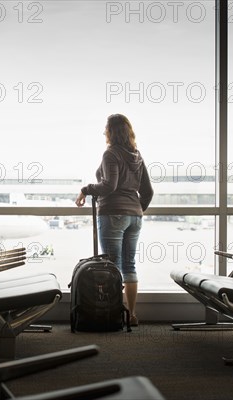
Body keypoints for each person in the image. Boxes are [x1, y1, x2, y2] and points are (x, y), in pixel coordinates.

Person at [75, 114, 153, 326]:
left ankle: (115, 315)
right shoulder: (136, 155)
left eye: (106, 129)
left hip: (113, 214)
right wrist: (137, 210)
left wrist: (86, 189)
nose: (103, 133)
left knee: (112, 267)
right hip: (134, 217)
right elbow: (148, 191)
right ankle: (132, 315)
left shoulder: (111, 154)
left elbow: (109, 185)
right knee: (129, 265)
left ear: (111, 132)